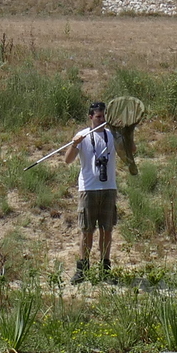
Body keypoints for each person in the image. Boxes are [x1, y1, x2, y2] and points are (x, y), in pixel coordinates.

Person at [59, 99, 121, 282]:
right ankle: (82, 269)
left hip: (108, 187)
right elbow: (67, 160)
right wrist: (74, 144)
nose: (101, 120)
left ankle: (105, 269)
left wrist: (126, 133)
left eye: (104, 116)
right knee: (87, 230)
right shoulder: (83, 135)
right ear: (91, 117)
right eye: (98, 117)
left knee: (107, 229)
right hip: (88, 188)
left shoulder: (112, 135)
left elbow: (130, 151)